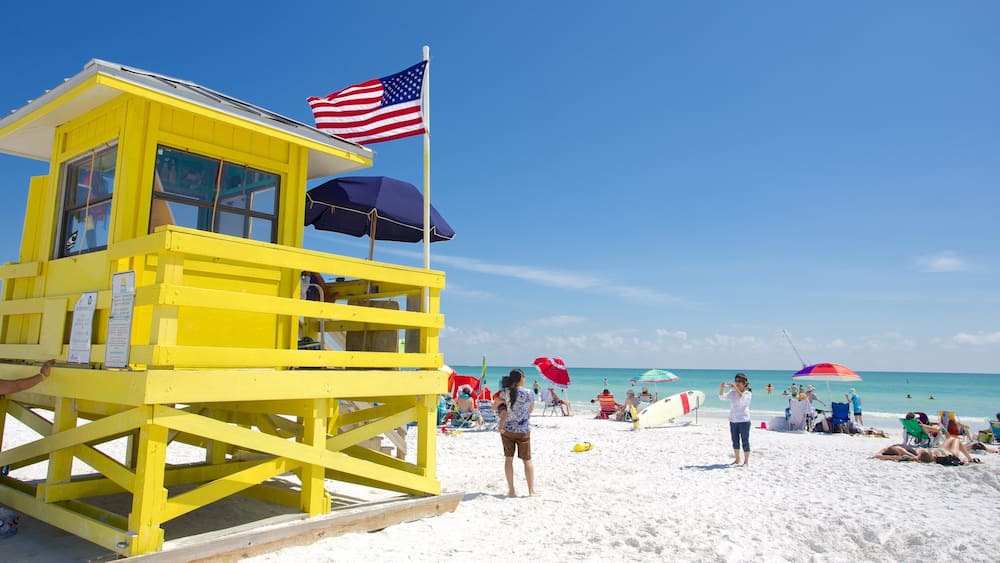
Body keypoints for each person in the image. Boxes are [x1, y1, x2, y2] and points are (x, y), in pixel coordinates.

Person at [499, 368, 535, 496]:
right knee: (527, 460)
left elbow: (500, 405)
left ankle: (511, 490)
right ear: (521, 378)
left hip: (507, 430)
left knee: (509, 459)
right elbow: (530, 411)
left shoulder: (506, 392)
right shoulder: (530, 393)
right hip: (523, 430)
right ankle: (531, 490)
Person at [719, 372, 752, 467]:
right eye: (736, 381)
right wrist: (721, 388)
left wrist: (736, 388)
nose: (737, 383)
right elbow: (722, 397)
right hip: (733, 420)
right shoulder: (732, 392)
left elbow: (742, 400)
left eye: (739, 381)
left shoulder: (747, 393)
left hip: (744, 420)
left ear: (744, 383)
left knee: (745, 440)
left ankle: (746, 462)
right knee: (735, 440)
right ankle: (737, 459)